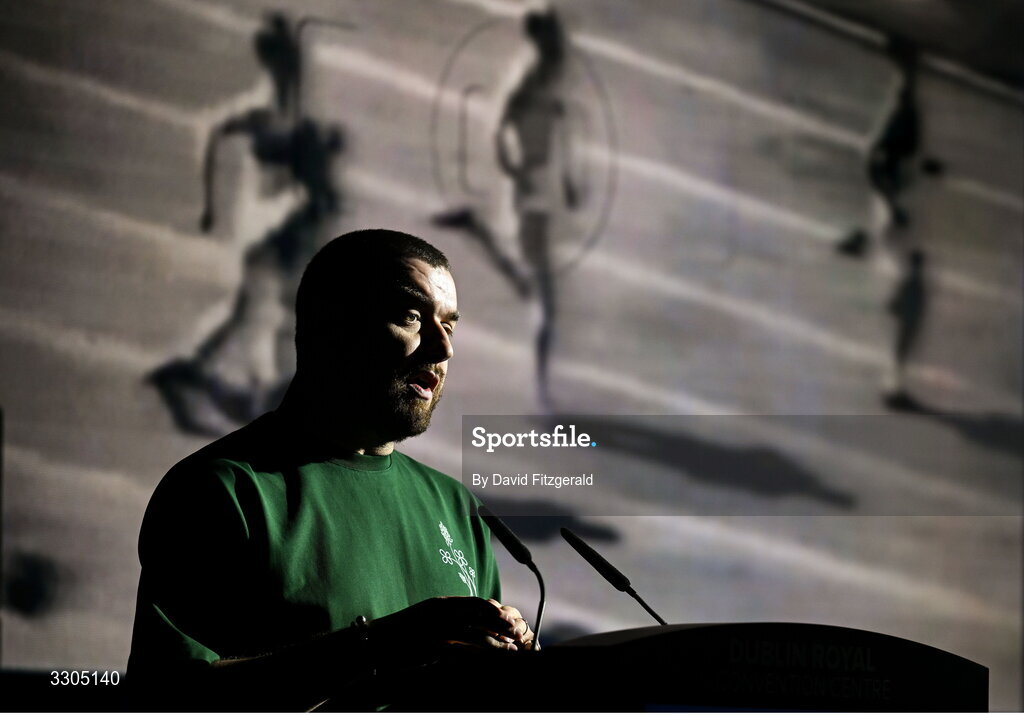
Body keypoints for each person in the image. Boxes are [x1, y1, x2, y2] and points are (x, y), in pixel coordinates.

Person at [129, 230, 535, 711]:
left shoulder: (456, 506)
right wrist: (381, 645)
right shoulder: (223, 490)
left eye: (449, 325)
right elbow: (170, 698)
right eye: (410, 316)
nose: (443, 349)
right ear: (328, 325)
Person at [149, 12, 343, 436]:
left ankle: (229, 375)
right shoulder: (277, 123)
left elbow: (230, 134)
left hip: (296, 228)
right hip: (293, 229)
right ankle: (234, 376)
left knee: (269, 305)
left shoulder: (276, 122)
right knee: (267, 305)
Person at [433, 8, 580, 413]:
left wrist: (563, 178)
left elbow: (525, 128)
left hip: (540, 197)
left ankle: (477, 230)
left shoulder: (544, 79)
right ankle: (543, 393)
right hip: (534, 202)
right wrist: (514, 166)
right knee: (542, 303)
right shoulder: (534, 81)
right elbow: (506, 126)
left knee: (534, 292)